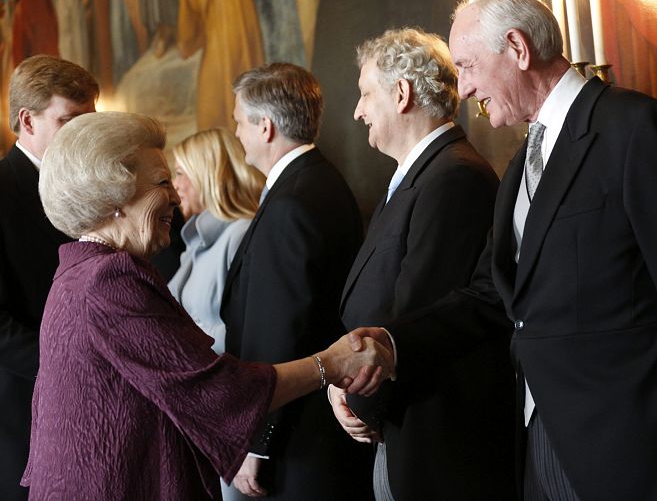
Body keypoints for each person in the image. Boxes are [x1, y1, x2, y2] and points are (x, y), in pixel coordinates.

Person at [352, 0, 657, 500]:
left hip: (632, 450)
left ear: (517, 48)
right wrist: (391, 343)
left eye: (467, 66)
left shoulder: (633, 128)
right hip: (539, 447)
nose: (462, 90)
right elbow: (489, 296)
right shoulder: (522, 162)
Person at [21, 111, 391, 500]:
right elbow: (218, 390)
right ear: (114, 194)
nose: (175, 196)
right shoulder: (107, 280)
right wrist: (331, 364)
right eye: (162, 182)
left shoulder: (79, 271)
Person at [330, 27, 515, 501]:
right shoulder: (421, 174)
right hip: (405, 427)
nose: (358, 110)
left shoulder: (452, 177)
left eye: (365, 94)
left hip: (438, 442)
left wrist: (357, 397)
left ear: (401, 93)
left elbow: (422, 311)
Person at [221, 62, 372, 499]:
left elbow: (281, 334)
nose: (236, 134)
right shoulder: (320, 181)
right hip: (314, 427)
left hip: (298, 441)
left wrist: (257, 444)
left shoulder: (292, 201)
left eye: (238, 122)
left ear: (265, 126)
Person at [0, 54, 97, 500]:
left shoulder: (89, 189)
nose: (84, 133)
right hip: (22, 411)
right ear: (27, 121)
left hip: (91, 411)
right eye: (70, 120)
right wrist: (70, 371)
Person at [169, 127, 264, 357]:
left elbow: (247, 330)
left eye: (181, 172)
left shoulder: (240, 234)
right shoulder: (196, 238)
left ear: (208, 173)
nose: (175, 184)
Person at [178, 0, 264, 131]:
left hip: (218, 43)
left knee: (214, 104)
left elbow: (187, 32)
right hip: (249, 34)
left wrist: (186, 45)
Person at [11, 0, 59, 66]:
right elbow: (19, 46)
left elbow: (53, 18)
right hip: (44, 56)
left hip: (44, 56)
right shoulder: (22, 6)